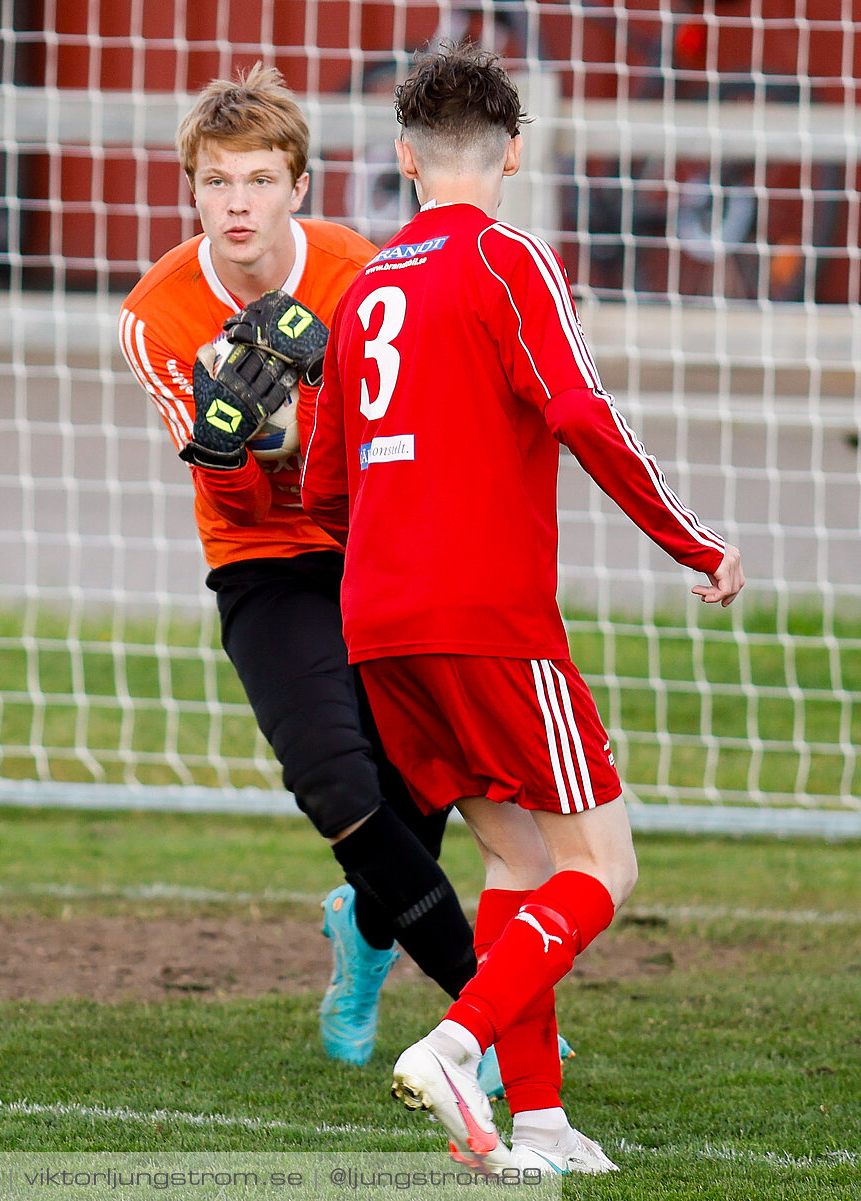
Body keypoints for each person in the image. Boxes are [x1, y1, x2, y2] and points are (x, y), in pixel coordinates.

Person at [301, 43, 743, 1175]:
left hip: (379, 622)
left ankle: (539, 1120)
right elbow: (585, 417)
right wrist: (693, 541)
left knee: (518, 859)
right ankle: (457, 1043)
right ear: (512, 155)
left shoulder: (362, 293)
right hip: (488, 618)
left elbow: (322, 488)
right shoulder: (509, 260)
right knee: (607, 863)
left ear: (401, 159)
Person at [118, 64, 479, 1067]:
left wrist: (310, 391)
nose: (240, 205)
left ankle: (362, 942)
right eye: (219, 182)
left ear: (298, 187)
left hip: (374, 540)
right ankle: (498, 1017)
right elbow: (227, 494)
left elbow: (393, 438)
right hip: (265, 563)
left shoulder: (357, 272)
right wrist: (230, 441)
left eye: (261, 180)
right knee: (335, 781)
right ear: (192, 188)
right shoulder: (158, 314)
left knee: (423, 784)